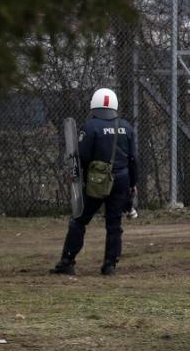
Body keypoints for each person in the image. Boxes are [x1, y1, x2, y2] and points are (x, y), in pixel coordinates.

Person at [50, 88, 137, 276]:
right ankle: (110, 265)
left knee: (79, 220)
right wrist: (133, 183)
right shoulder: (127, 127)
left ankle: (67, 261)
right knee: (114, 224)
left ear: (94, 105)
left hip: (96, 182)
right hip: (122, 179)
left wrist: (77, 177)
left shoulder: (90, 127)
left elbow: (82, 156)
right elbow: (133, 159)